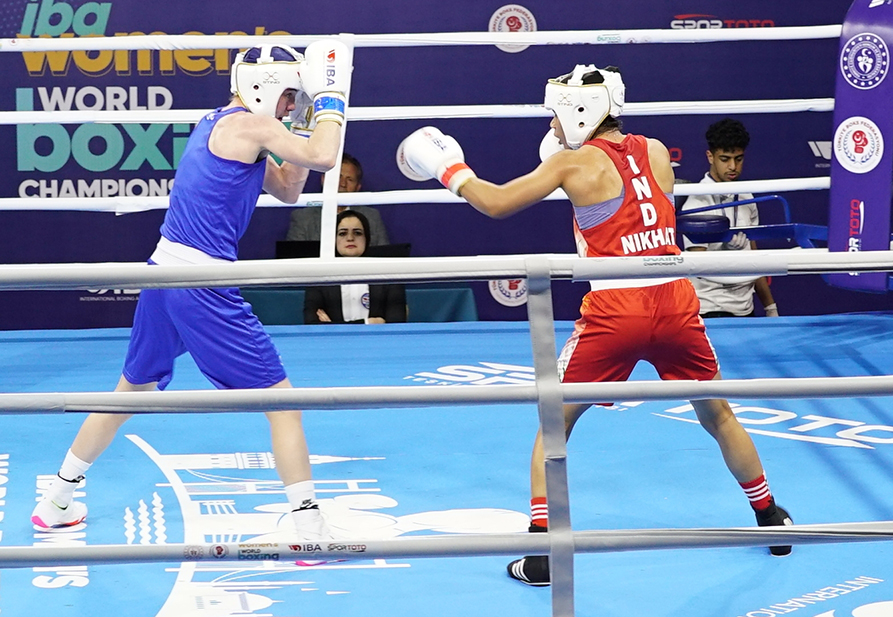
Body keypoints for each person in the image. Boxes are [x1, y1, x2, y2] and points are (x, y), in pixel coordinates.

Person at [396, 64, 793, 586]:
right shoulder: (655, 152)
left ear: (576, 112)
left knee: (553, 424)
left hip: (616, 306)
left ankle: (543, 553)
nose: (552, 128)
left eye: (555, 117)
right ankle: (772, 518)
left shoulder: (571, 164)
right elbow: (628, 203)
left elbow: (494, 202)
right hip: (674, 297)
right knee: (717, 413)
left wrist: (451, 168)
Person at [31, 41, 351, 542]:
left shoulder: (222, 123)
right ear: (266, 85)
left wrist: (307, 116)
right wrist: (332, 96)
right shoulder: (252, 125)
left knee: (129, 392)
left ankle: (58, 498)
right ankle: (307, 525)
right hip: (201, 283)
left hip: (163, 271)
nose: (291, 104)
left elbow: (290, 188)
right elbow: (328, 156)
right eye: (290, 95)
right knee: (284, 404)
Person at [681, 118, 779, 318]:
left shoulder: (746, 197)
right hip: (709, 311)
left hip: (746, 309)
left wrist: (770, 307)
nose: (733, 166)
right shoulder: (697, 203)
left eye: (739, 159)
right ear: (710, 156)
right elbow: (697, 267)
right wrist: (728, 255)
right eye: (725, 159)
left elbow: (755, 258)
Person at [303, 209, 407, 324]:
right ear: (334, 239)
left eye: (357, 233)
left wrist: (333, 325)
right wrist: (367, 323)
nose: (350, 238)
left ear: (366, 238)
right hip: (333, 342)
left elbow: (396, 324)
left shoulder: (388, 277)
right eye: (342, 233)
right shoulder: (320, 277)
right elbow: (312, 323)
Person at [286, 153, 391, 246]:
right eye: (338, 177)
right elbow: (293, 259)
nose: (343, 184)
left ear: (358, 187)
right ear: (323, 180)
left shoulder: (371, 217)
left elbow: (384, 258)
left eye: (349, 179)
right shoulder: (303, 218)